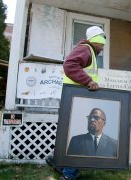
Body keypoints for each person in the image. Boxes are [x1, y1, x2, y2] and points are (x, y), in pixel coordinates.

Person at [46, 26, 106, 180]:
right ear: (96, 39)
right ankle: (69, 173)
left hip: (76, 98)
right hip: (76, 99)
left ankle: (58, 162)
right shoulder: (86, 50)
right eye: (102, 41)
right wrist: (88, 81)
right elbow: (69, 65)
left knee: (70, 133)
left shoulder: (88, 52)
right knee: (79, 136)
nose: (104, 45)